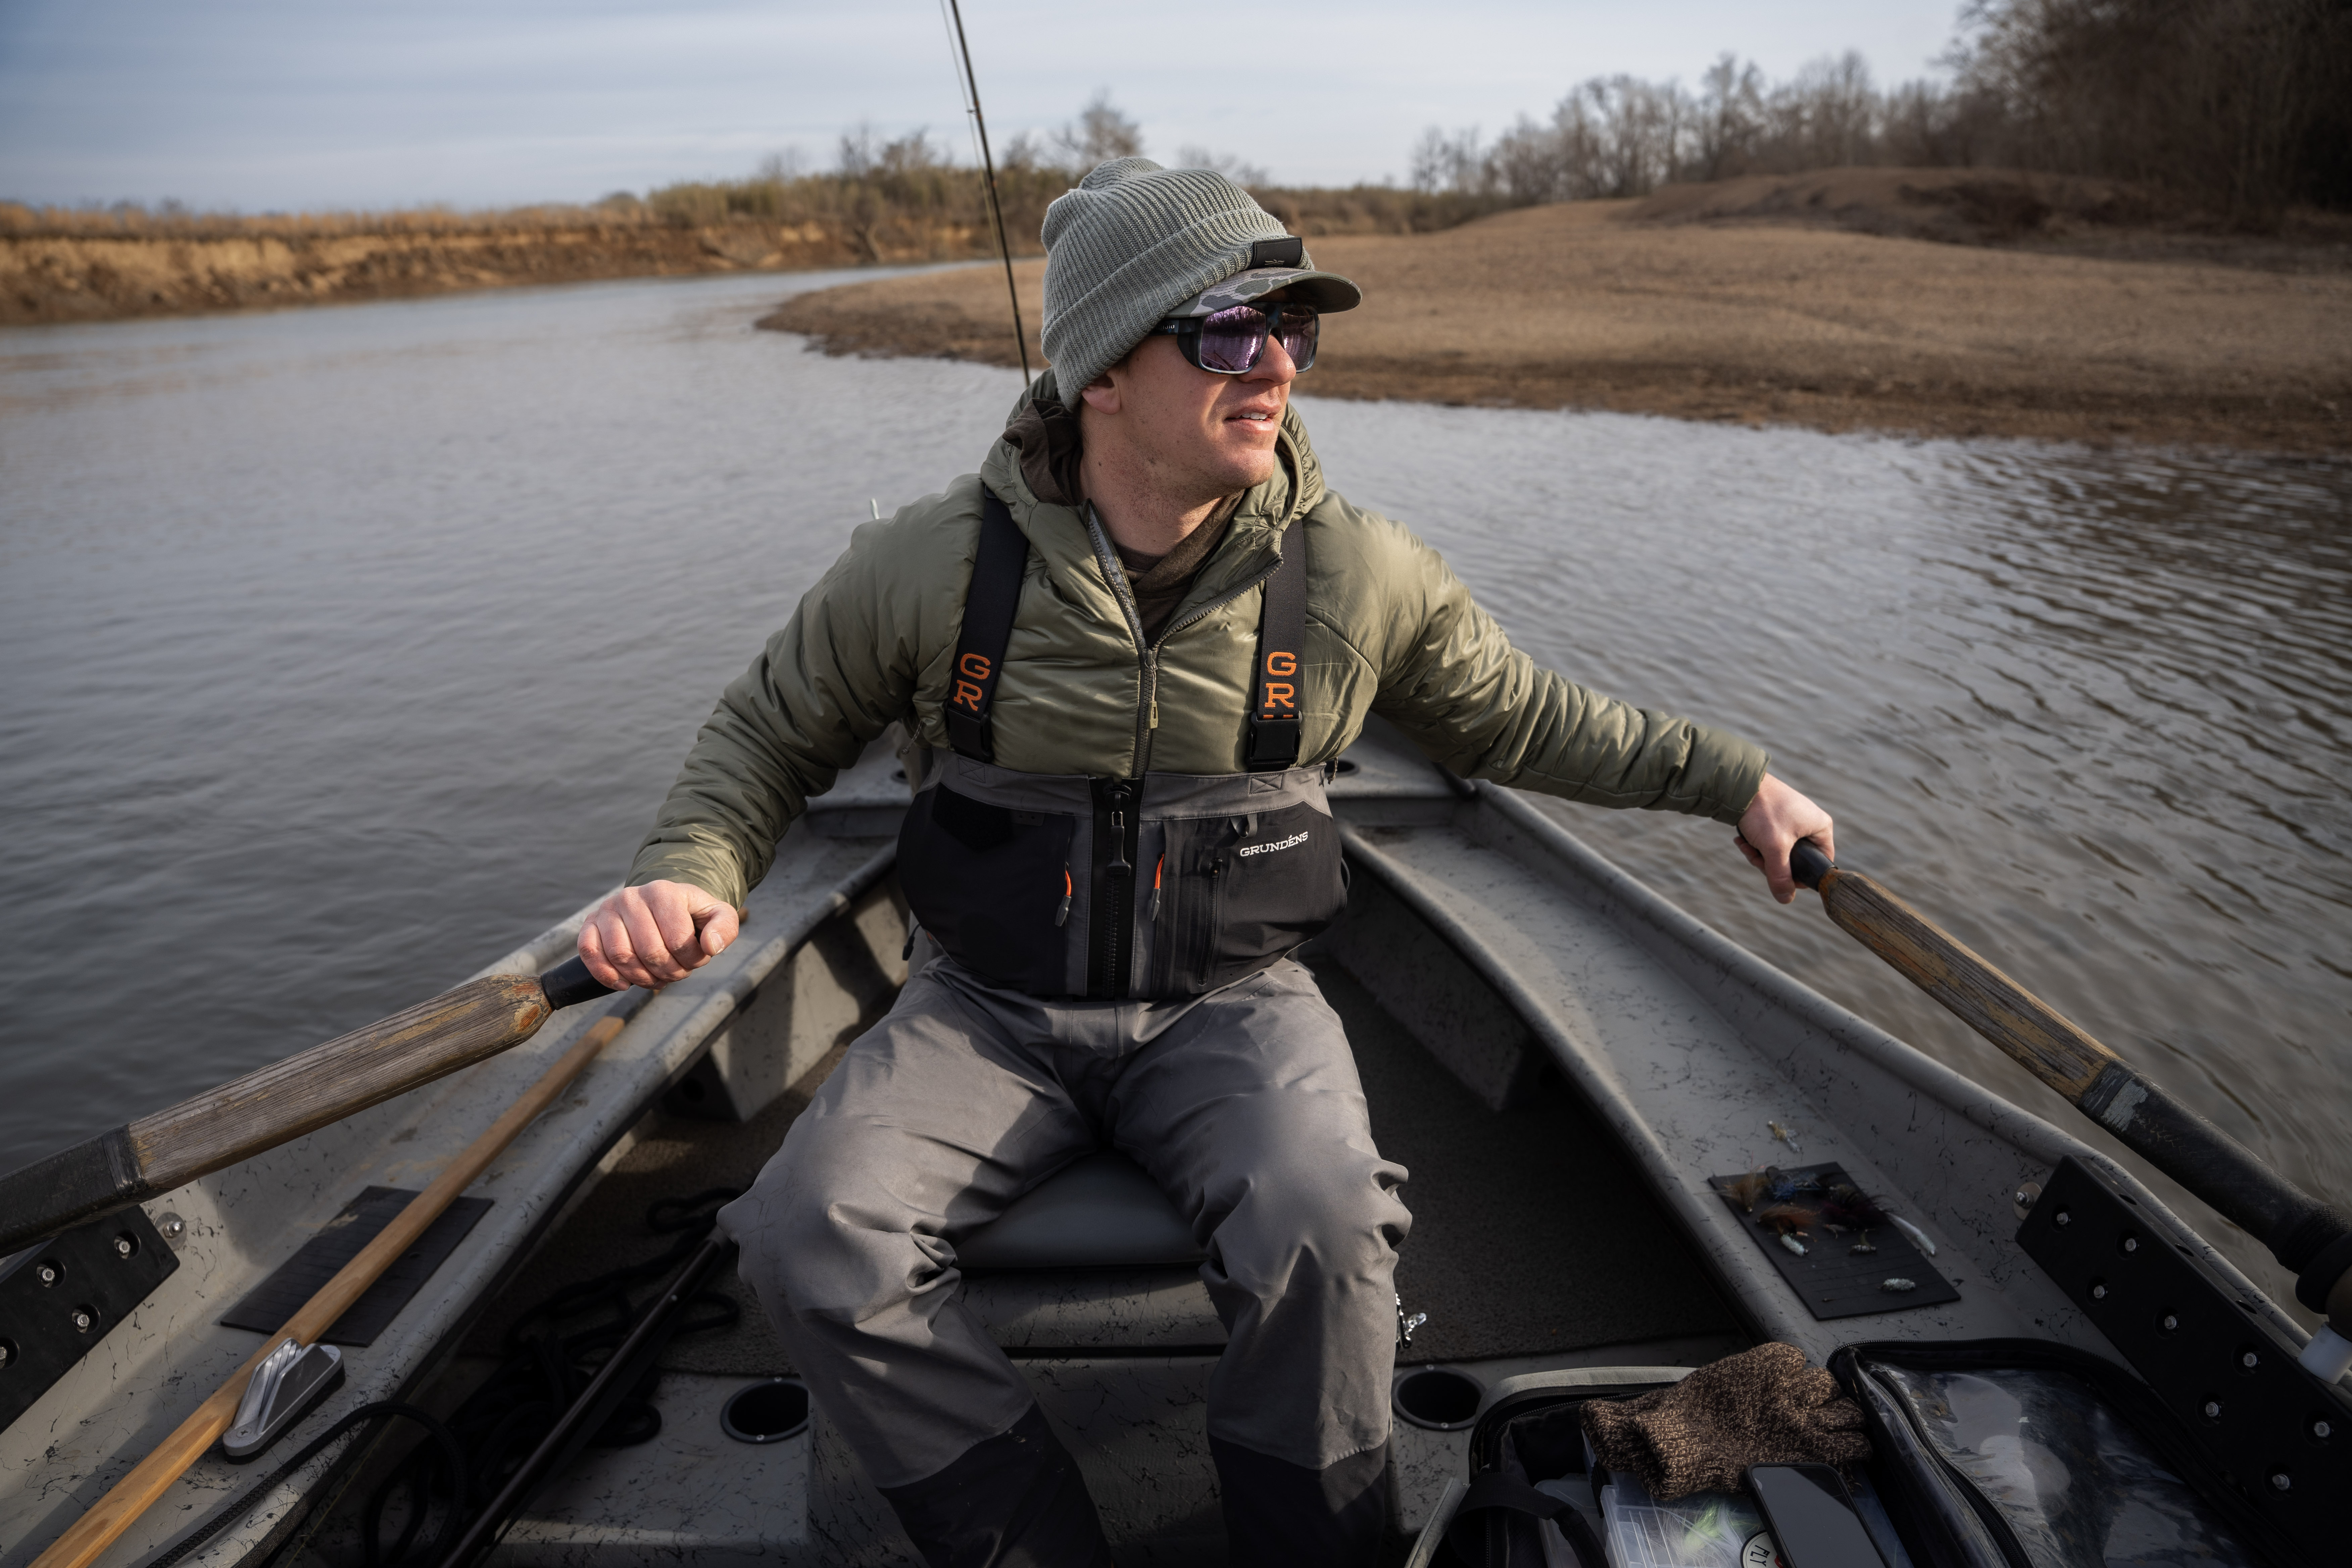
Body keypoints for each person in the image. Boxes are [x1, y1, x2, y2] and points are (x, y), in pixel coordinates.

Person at [575, 158, 1834, 1567]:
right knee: (808, 1233)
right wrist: (692, 867)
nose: (1279, 367)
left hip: (1234, 1003)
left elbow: (1525, 720)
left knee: (1328, 1223)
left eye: (1295, 329)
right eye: (1233, 333)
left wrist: (1733, 781)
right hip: (983, 1009)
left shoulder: (1360, 574)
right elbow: (769, 731)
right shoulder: (927, 567)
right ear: (1104, 373)